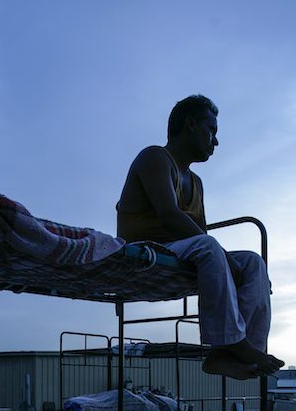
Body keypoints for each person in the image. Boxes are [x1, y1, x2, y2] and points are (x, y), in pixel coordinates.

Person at [116, 94, 283, 380]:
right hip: (147, 248)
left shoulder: (196, 183)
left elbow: (199, 232)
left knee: (253, 263)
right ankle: (234, 342)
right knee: (210, 246)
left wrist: (230, 261)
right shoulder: (154, 156)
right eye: (211, 130)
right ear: (191, 124)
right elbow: (170, 215)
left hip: (183, 250)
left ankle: (226, 351)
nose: (215, 141)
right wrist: (223, 257)